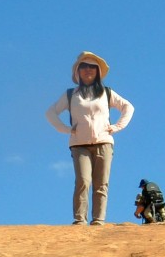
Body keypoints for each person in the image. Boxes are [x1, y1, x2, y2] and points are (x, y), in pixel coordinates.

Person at [45, 51, 134, 225]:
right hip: (79, 144)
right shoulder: (71, 95)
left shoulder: (106, 93)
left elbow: (128, 107)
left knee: (101, 184)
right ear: (77, 72)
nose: (88, 70)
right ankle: (80, 219)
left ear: (98, 72)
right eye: (83, 67)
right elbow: (51, 112)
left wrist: (116, 127)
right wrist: (66, 129)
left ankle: (98, 220)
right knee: (83, 181)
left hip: (104, 142)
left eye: (92, 67)